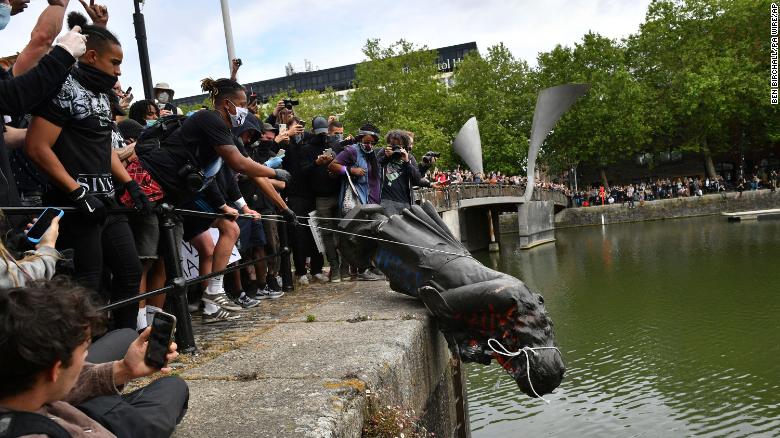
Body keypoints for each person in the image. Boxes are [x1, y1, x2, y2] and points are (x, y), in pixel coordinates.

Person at [24, 12, 148, 330]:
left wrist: (130, 184)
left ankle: (122, 347)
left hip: (107, 202)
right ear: (91, 56)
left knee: (130, 271)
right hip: (75, 206)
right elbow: (37, 147)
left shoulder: (102, 95)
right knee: (87, 284)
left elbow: (100, 148)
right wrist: (76, 191)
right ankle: (81, 365)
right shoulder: (62, 87)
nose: (119, 71)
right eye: (114, 63)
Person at [136, 77, 294, 322]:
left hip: (174, 195)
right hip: (151, 187)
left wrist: (283, 208)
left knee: (165, 261)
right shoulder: (208, 119)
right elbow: (238, 164)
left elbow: (240, 171)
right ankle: (141, 324)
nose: (245, 109)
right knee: (147, 262)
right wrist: (274, 172)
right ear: (227, 103)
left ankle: (156, 321)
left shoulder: (225, 132)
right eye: (242, 103)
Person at [0, 279, 189, 438]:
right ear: (55, 370)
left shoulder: (24, 387)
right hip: (100, 420)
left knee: (125, 336)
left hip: (66, 403)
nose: (87, 356)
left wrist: (123, 369)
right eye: (84, 350)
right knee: (173, 387)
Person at [301, 116, 342, 282]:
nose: (323, 136)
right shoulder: (307, 148)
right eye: (320, 133)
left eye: (325, 133)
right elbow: (303, 173)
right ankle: (335, 266)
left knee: (342, 231)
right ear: (313, 132)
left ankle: (344, 266)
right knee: (326, 234)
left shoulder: (335, 144)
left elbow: (345, 166)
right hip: (320, 196)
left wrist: (334, 165)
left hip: (338, 193)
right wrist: (316, 163)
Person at [377, 130, 426, 216]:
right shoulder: (383, 152)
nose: (396, 147)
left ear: (404, 145)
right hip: (386, 200)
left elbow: (417, 179)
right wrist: (386, 157)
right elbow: (374, 169)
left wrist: (407, 161)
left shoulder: (409, 157)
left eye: (399, 145)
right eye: (393, 145)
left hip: (405, 202)